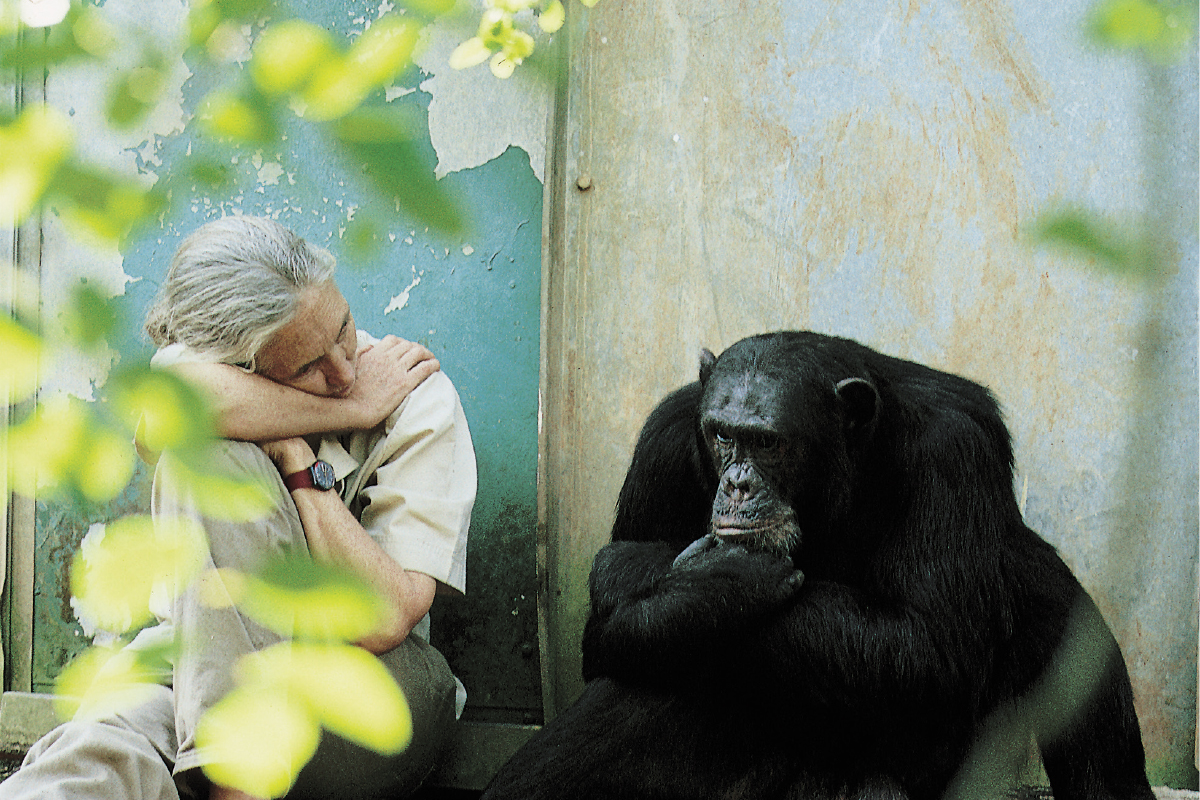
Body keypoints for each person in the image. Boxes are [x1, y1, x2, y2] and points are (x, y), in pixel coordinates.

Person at [0, 216, 477, 800]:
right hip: (198, 682)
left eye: (345, 328)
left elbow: (383, 618)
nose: (348, 372)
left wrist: (302, 468)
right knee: (90, 764)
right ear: (240, 366)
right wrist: (340, 415)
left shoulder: (415, 393)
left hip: (369, 689)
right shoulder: (206, 378)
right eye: (307, 366)